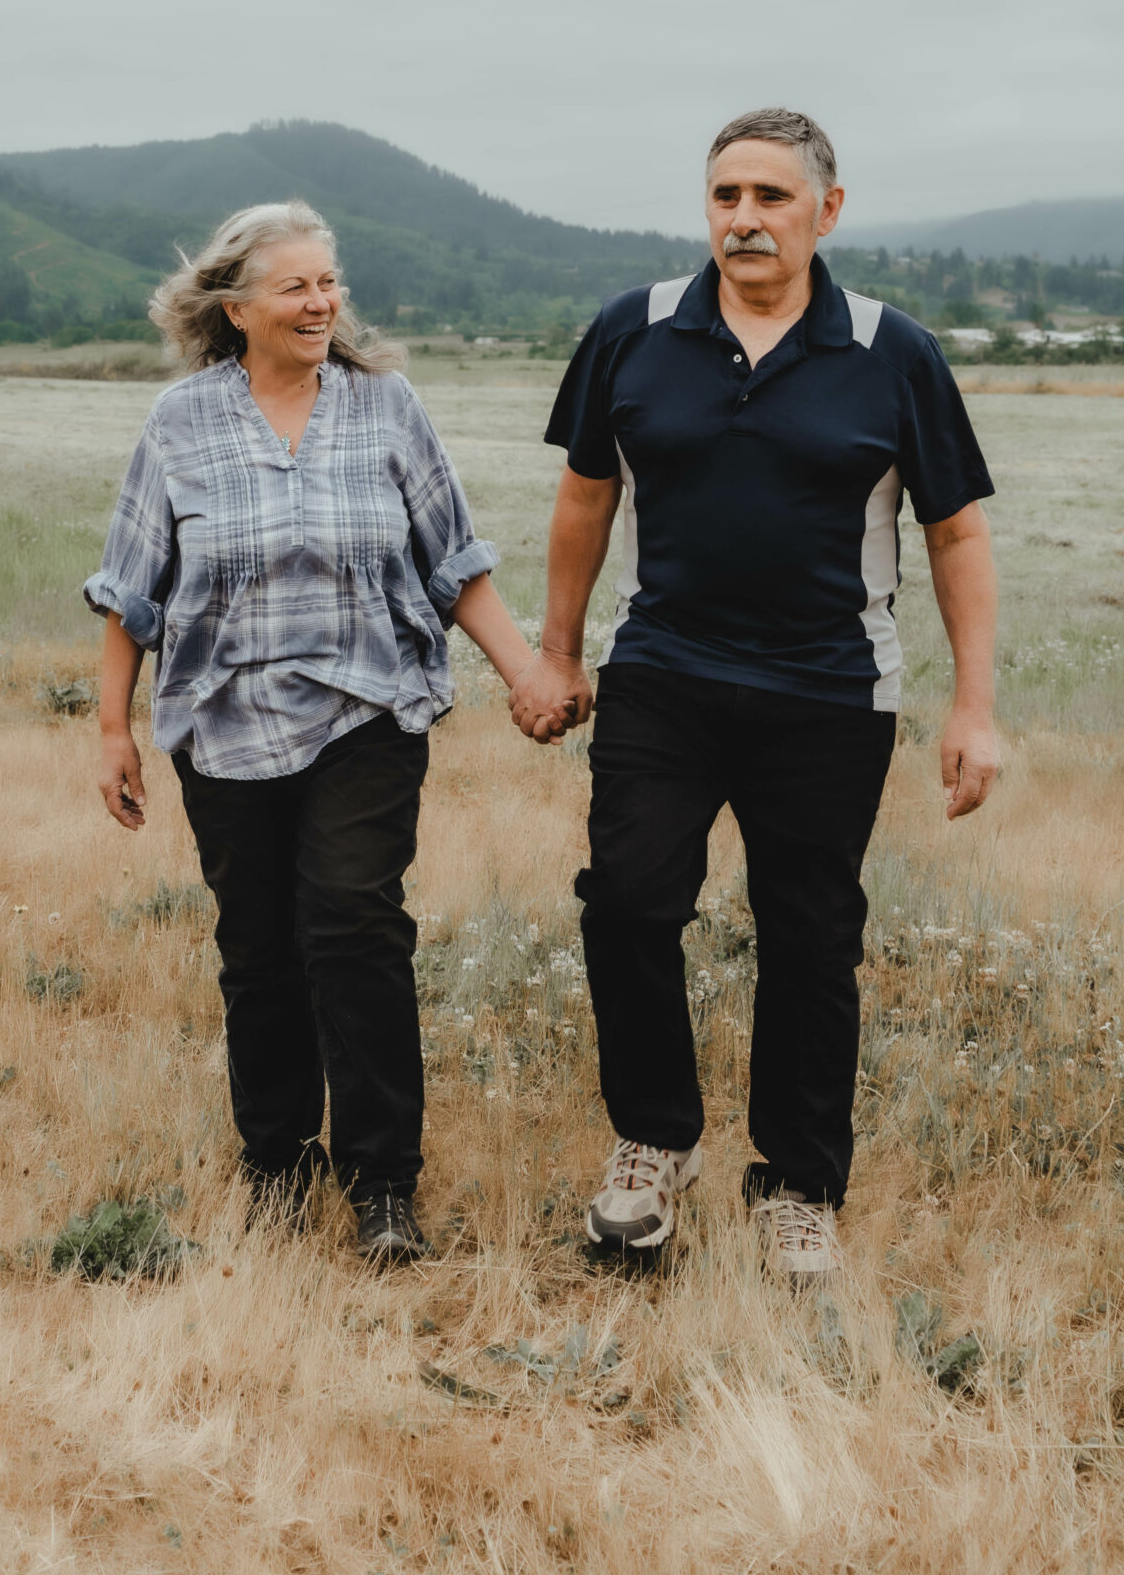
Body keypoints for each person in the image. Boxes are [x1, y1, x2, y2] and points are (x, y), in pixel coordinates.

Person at [508, 109, 1000, 1278]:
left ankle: (797, 1188)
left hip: (830, 690)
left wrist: (973, 705)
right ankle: (653, 1142)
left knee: (812, 938)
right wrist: (561, 652)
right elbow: (585, 500)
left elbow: (956, 533)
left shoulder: (893, 350)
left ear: (828, 212)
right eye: (726, 195)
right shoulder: (634, 330)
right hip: (664, 674)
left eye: (772, 197)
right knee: (627, 902)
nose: (745, 218)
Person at [86, 200, 537, 1263]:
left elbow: (455, 561)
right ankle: (278, 1166)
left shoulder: (386, 407)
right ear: (235, 307)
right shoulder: (180, 424)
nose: (320, 302)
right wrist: (112, 729)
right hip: (221, 720)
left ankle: (384, 1182)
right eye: (296, 286)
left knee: (351, 922)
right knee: (259, 949)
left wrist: (527, 676)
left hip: (366, 708)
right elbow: (131, 591)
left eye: (329, 283)